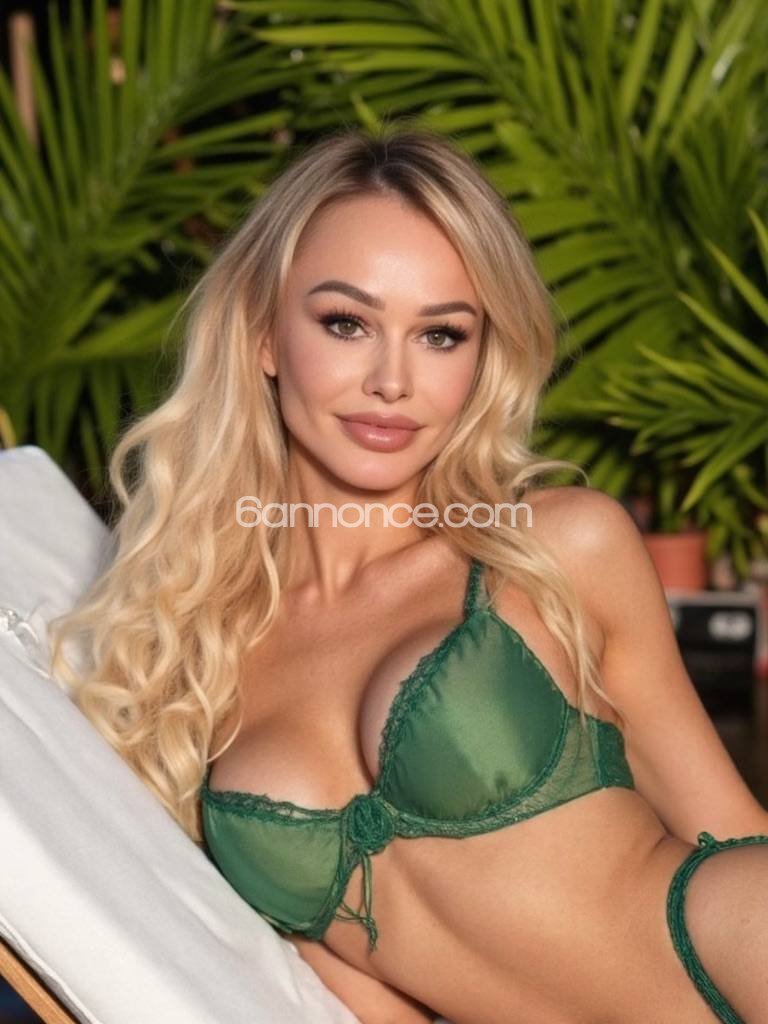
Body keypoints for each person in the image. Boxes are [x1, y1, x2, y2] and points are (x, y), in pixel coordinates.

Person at [49, 124, 768, 1024]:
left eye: (440, 334)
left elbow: (731, 830)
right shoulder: (194, 651)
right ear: (264, 334)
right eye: (346, 323)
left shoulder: (554, 550)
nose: (392, 380)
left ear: (481, 356)